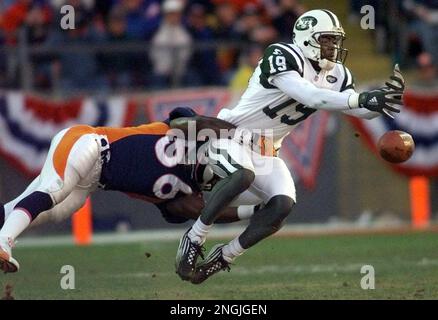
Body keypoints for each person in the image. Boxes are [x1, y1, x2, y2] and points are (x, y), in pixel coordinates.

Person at [174, 9, 405, 284]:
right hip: (229, 136)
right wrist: (363, 99)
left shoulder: (338, 74)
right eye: (327, 40)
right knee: (242, 174)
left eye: (335, 40)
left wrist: (381, 102)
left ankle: (224, 257)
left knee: (282, 205)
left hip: (266, 151)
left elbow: (358, 110)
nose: (333, 47)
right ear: (307, 39)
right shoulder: (282, 54)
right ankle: (195, 236)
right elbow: (311, 96)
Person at [0, 107, 255, 273]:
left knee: (35, 212)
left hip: (91, 183)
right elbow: (194, 121)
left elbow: (207, 212)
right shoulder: (181, 132)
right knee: (54, 189)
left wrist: (252, 211)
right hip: (88, 144)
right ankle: (4, 242)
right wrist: (242, 136)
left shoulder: (183, 196)